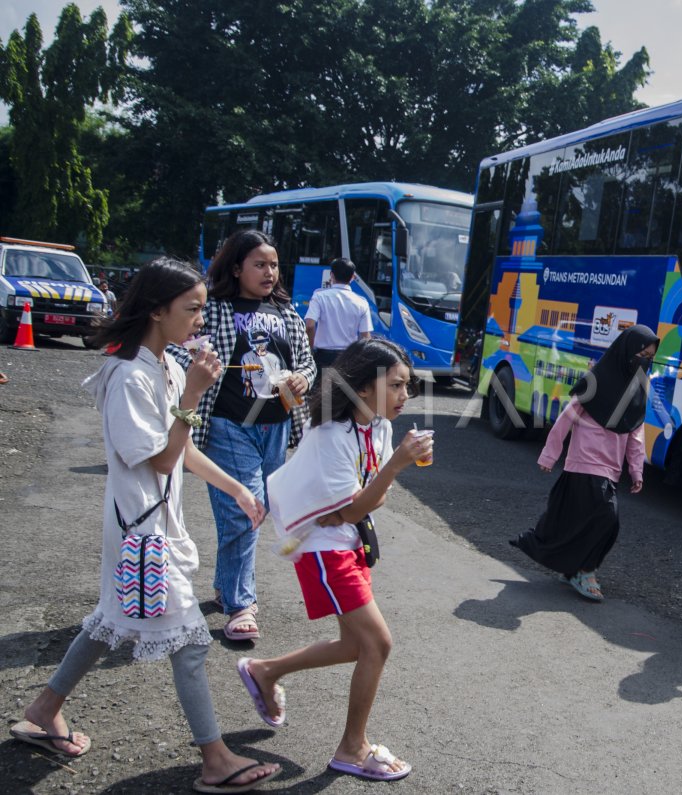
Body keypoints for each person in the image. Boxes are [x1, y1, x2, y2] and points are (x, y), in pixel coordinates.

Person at [9, 258, 281, 793]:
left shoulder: (167, 365)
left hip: (152, 524)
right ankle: (216, 759)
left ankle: (43, 711)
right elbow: (159, 459)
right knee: (192, 643)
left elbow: (181, 455)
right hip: (139, 529)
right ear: (157, 309)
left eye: (203, 307)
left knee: (107, 620)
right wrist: (193, 396)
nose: (201, 319)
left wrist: (237, 487)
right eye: (193, 308)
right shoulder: (129, 372)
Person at [237, 338, 432, 782]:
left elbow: (368, 502)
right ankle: (352, 748)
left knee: (354, 645)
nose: (406, 395)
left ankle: (264, 671)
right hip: (323, 549)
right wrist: (394, 469)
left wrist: (382, 478)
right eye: (397, 385)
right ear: (363, 388)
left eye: (409, 385)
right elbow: (357, 506)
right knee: (377, 644)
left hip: (346, 540)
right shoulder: (331, 434)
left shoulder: (378, 428)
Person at [171, 229, 317, 642]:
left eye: (273, 265)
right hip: (227, 425)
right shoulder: (214, 308)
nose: (269, 272)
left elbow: (307, 364)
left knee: (255, 510)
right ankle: (241, 606)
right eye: (259, 264)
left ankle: (225, 588)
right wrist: (203, 359)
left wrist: (302, 379)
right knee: (244, 510)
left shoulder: (287, 313)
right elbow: (183, 347)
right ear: (236, 268)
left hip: (277, 428)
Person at [510, 324, 659, 601]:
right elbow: (566, 417)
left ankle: (574, 568)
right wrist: (550, 454)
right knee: (606, 516)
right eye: (642, 353)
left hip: (610, 469)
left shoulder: (637, 391)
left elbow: (635, 435)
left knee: (588, 521)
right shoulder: (597, 381)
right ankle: (586, 571)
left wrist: (636, 471)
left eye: (650, 356)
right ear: (627, 351)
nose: (645, 361)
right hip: (585, 462)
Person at [305, 257, 373, 376]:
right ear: (353, 277)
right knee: (342, 393)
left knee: (322, 393)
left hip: (323, 356)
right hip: (348, 357)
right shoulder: (362, 302)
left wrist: (309, 350)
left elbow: (310, 326)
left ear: (331, 275)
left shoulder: (319, 296)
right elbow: (365, 337)